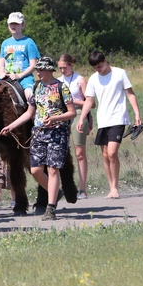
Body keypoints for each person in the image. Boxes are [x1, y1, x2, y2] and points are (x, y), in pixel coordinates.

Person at [1, 56, 76, 220]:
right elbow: (30, 113)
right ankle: (55, 192)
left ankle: (50, 208)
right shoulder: (36, 87)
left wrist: (55, 118)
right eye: (38, 70)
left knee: (52, 169)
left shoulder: (62, 87)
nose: (39, 72)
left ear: (50, 70)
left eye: (41, 69)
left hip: (58, 132)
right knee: (35, 170)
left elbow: (72, 112)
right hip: (39, 133)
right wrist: (11, 126)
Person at [78, 50, 142, 199]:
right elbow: (89, 100)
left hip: (118, 118)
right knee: (105, 155)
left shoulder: (120, 73)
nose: (98, 70)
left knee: (112, 152)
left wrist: (137, 113)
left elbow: (130, 93)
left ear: (105, 60)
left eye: (100, 66)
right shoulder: (93, 79)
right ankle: (111, 187)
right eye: (95, 68)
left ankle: (115, 187)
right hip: (103, 119)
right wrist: (82, 118)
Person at [57, 54, 94, 199]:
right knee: (61, 152)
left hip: (78, 114)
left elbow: (91, 103)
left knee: (80, 153)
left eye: (64, 67)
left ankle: (82, 188)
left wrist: (73, 101)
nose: (62, 70)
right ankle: (62, 186)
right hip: (63, 114)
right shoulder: (58, 81)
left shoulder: (80, 80)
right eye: (59, 68)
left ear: (71, 65)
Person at [0, 12, 41, 100]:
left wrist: (19, 76)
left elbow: (34, 65)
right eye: (11, 24)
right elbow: (1, 64)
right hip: (6, 75)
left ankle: (35, 113)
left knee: (29, 96)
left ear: (22, 25)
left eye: (16, 24)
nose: (13, 26)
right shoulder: (5, 43)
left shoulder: (29, 42)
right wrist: (1, 73)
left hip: (24, 77)